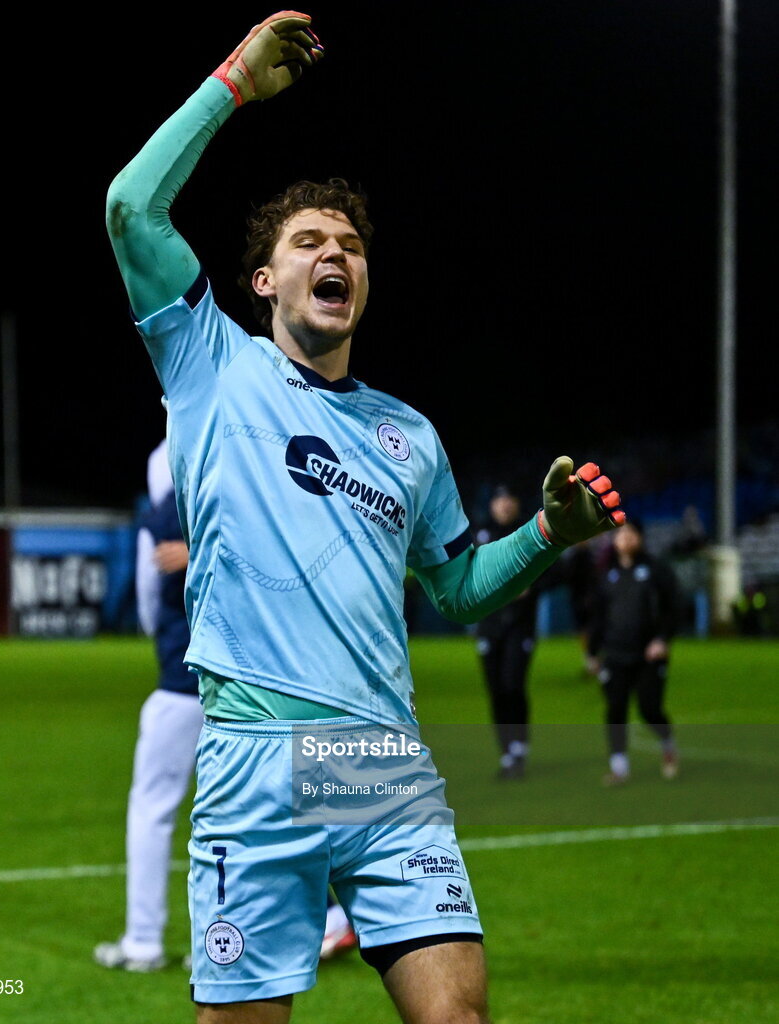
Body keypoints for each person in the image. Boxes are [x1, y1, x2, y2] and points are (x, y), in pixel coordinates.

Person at [105, 11, 625, 1022]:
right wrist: (234, 86)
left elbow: (457, 588)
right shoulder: (209, 365)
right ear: (264, 282)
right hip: (254, 762)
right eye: (307, 242)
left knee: (456, 1016)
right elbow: (131, 206)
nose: (331, 252)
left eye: (346, 244)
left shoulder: (409, 436)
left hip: (378, 764)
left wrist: (545, 537)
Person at [94, 439, 204, 972]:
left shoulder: (159, 520)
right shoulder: (232, 503)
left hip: (179, 685)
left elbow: (144, 605)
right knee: (233, 817)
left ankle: (143, 940)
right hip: (244, 691)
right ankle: (221, 942)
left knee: (152, 810)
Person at [472, 485, 562, 781]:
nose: (505, 505)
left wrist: (530, 585)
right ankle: (507, 750)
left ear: (516, 503)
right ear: (493, 505)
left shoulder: (531, 533)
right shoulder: (479, 534)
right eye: (499, 499)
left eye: (509, 499)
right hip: (489, 624)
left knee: (513, 684)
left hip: (520, 625)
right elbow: (465, 572)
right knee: (496, 690)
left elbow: (553, 568)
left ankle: (519, 747)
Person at [587, 519, 680, 785]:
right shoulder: (607, 575)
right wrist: (593, 653)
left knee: (650, 708)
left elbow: (673, 608)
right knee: (615, 709)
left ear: (640, 537)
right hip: (615, 654)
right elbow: (598, 617)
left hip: (649, 655)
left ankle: (668, 745)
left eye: (631, 533)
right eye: (620, 534)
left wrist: (662, 639)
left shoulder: (656, 570)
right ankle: (619, 767)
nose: (625, 538)